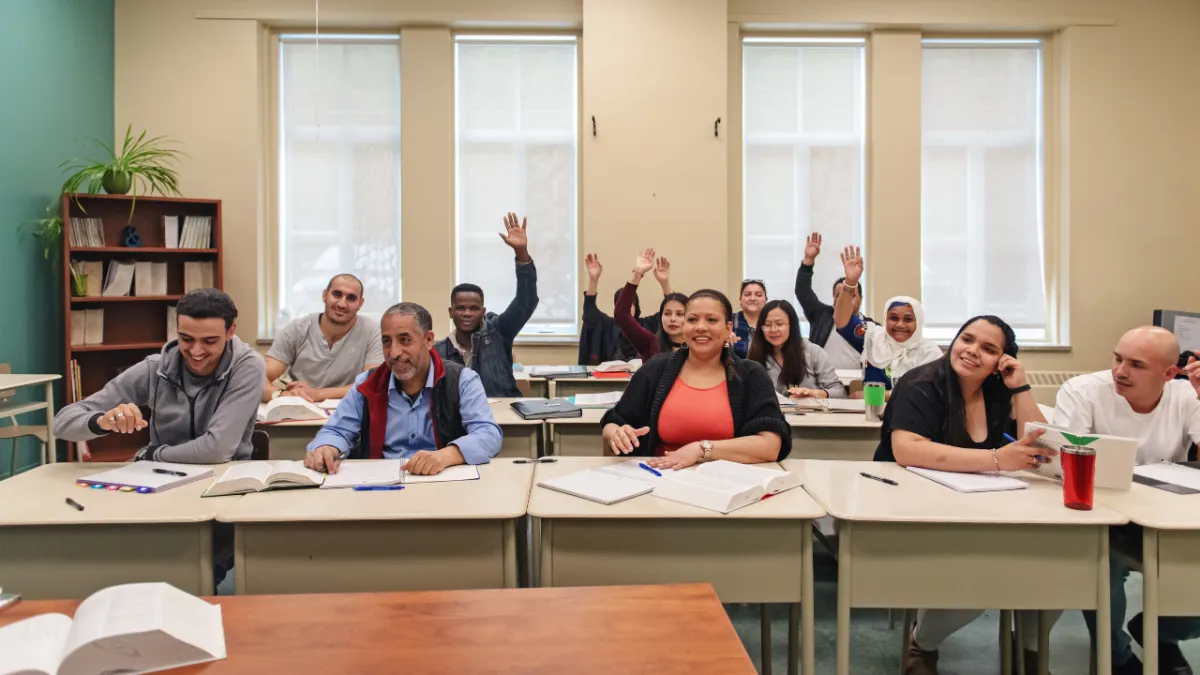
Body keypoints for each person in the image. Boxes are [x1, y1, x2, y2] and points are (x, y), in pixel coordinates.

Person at [875, 316, 1051, 675]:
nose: (972, 351)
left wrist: (1020, 387)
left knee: (1055, 564)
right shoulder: (921, 383)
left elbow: (1041, 447)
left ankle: (1031, 651)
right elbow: (908, 449)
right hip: (911, 505)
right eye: (967, 339)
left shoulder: (998, 390)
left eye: (989, 349)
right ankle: (921, 644)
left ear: (1001, 361)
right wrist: (998, 459)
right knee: (980, 576)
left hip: (978, 505)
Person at [1053, 327, 1200, 675]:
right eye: (1118, 359)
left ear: (1169, 373)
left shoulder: (1188, 395)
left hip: (1168, 514)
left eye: (1136, 364)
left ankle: (1160, 632)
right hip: (1102, 513)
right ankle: (1117, 657)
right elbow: (1062, 462)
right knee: (1101, 563)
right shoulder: (1084, 390)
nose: (1120, 371)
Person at [53, 288, 266, 463]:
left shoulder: (247, 367)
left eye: (209, 341)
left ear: (230, 332)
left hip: (225, 479)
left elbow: (216, 450)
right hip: (162, 477)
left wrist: (151, 454)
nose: (196, 351)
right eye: (186, 339)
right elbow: (61, 423)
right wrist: (101, 421)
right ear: (177, 329)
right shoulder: (156, 368)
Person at [600, 289, 791, 469]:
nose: (700, 327)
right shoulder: (656, 368)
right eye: (692, 319)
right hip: (660, 478)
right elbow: (614, 421)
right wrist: (616, 433)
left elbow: (771, 445)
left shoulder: (751, 375)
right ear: (684, 327)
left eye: (711, 320)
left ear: (728, 328)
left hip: (727, 484)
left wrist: (702, 450)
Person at [304, 302, 503, 476]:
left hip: (442, 481)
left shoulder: (462, 380)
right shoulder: (368, 383)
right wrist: (327, 447)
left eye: (405, 339)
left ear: (428, 340)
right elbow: (337, 430)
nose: (394, 352)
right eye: (386, 341)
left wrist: (447, 456)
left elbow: (488, 434)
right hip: (378, 485)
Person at [434, 212, 538, 398]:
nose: (467, 313)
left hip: (502, 419)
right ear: (451, 312)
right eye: (460, 308)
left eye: (474, 308)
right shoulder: (438, 351)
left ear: (483, 312)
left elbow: (526, 301)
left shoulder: (499, 332)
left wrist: (521, 253)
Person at [833, 245, 941, 395]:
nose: (900, 324)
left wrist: (881, 395)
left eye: (908, 319)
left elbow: (928, 394)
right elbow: (842, 321)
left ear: (918, 322)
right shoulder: (873, 337)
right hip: (870, 416)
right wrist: (850, 284)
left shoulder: (929, 353)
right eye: (893, 318)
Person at [262, 273, 383, 403]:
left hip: (350, 411)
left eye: (351, 298)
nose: (342, 304)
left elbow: (372, 384)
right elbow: (258, 377)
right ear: (325, 295)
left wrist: (318, 394)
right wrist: (282, 396)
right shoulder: (297, 329)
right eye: (337, 294)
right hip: (299, 409)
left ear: (360, 303)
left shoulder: (373, 332)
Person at [794, 232, 873, 370]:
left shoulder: (870, 326)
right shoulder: (822, 316)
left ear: (861, 299)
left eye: (851, 295)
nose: (844, 299)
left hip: (856, 385)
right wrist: (808, 260)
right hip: (820, 383)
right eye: (839, 295)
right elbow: (803, 291)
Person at [746, 299, 845, 399]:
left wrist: (815, 393)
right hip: (771, 413)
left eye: (779, 324)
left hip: (810, 413)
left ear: (792, 325)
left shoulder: (813, 351)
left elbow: (839, 392)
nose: (773, 330)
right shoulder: (755, 354)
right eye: (767, 325)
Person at [578, 252, 666, 365]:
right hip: (612, 380)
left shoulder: (648, 324)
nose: (628, 308)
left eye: (631, 305)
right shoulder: (608, 325)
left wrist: (664, 283)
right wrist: (593, 280)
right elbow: (590, 313)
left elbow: (670, 312)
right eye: (623, 305)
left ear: (637, 306)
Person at [614, 248, 687, 359]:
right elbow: (621, 315)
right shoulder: (651, 343)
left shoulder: (697, 346)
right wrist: (638, 273)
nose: (673, 319)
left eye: (680, 314)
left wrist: (665, 283)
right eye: (667, 314)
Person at [732, 280, 767, 359]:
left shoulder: (772, 323)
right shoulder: (728, 321)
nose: (753, 298)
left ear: (766, 300)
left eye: (758, 295)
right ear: (740, 299)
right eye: (748, 294)